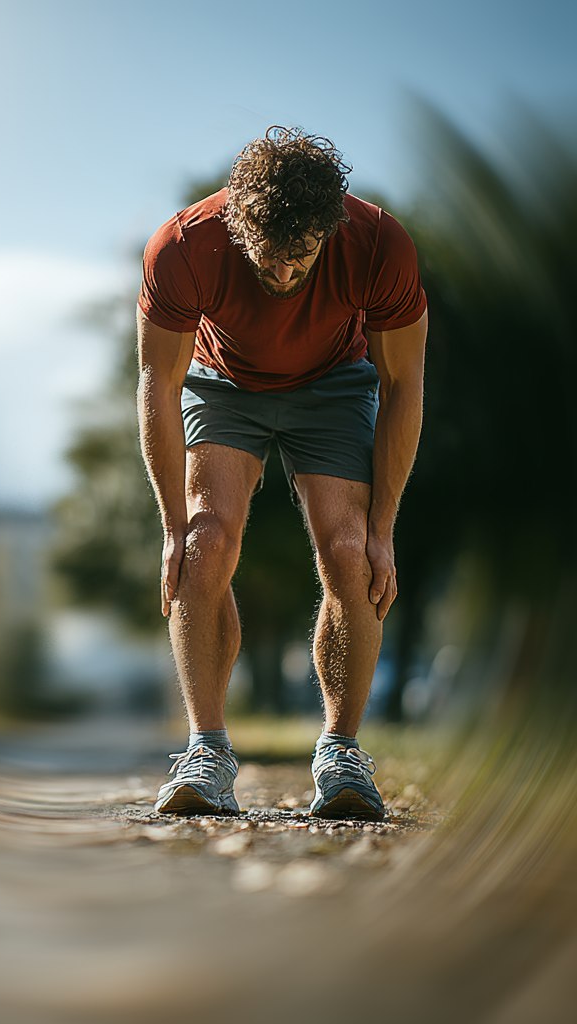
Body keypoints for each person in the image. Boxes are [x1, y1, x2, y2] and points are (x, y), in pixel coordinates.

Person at [137, 126, 427, 821]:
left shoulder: (380, 245)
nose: (287, 274)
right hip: (224, 382)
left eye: (301, 257)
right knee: (204, 551)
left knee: (353, 556)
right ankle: (207, 753)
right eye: (270, 257)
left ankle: (342, 756)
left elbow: (404, 384)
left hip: (333, 382)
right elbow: (159, 383)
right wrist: (173, 529)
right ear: (239, 224)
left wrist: (384, 528)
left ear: (330, 228)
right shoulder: (183, 246)